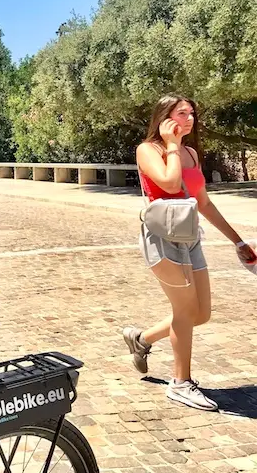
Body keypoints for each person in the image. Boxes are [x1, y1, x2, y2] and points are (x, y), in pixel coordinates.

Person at [123, 94, 257, 411]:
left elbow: (204, 203)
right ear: (164, 118)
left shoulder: (191, 154)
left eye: (192, 113)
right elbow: (169, 185)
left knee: (201, 313)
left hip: (191, 236)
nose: (189, 118)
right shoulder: (148, 150)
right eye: (181, 113)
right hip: (162, 238)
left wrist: (238, 242)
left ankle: (142, 339)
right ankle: (180, 383)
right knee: (185, 310)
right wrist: (171, 144)